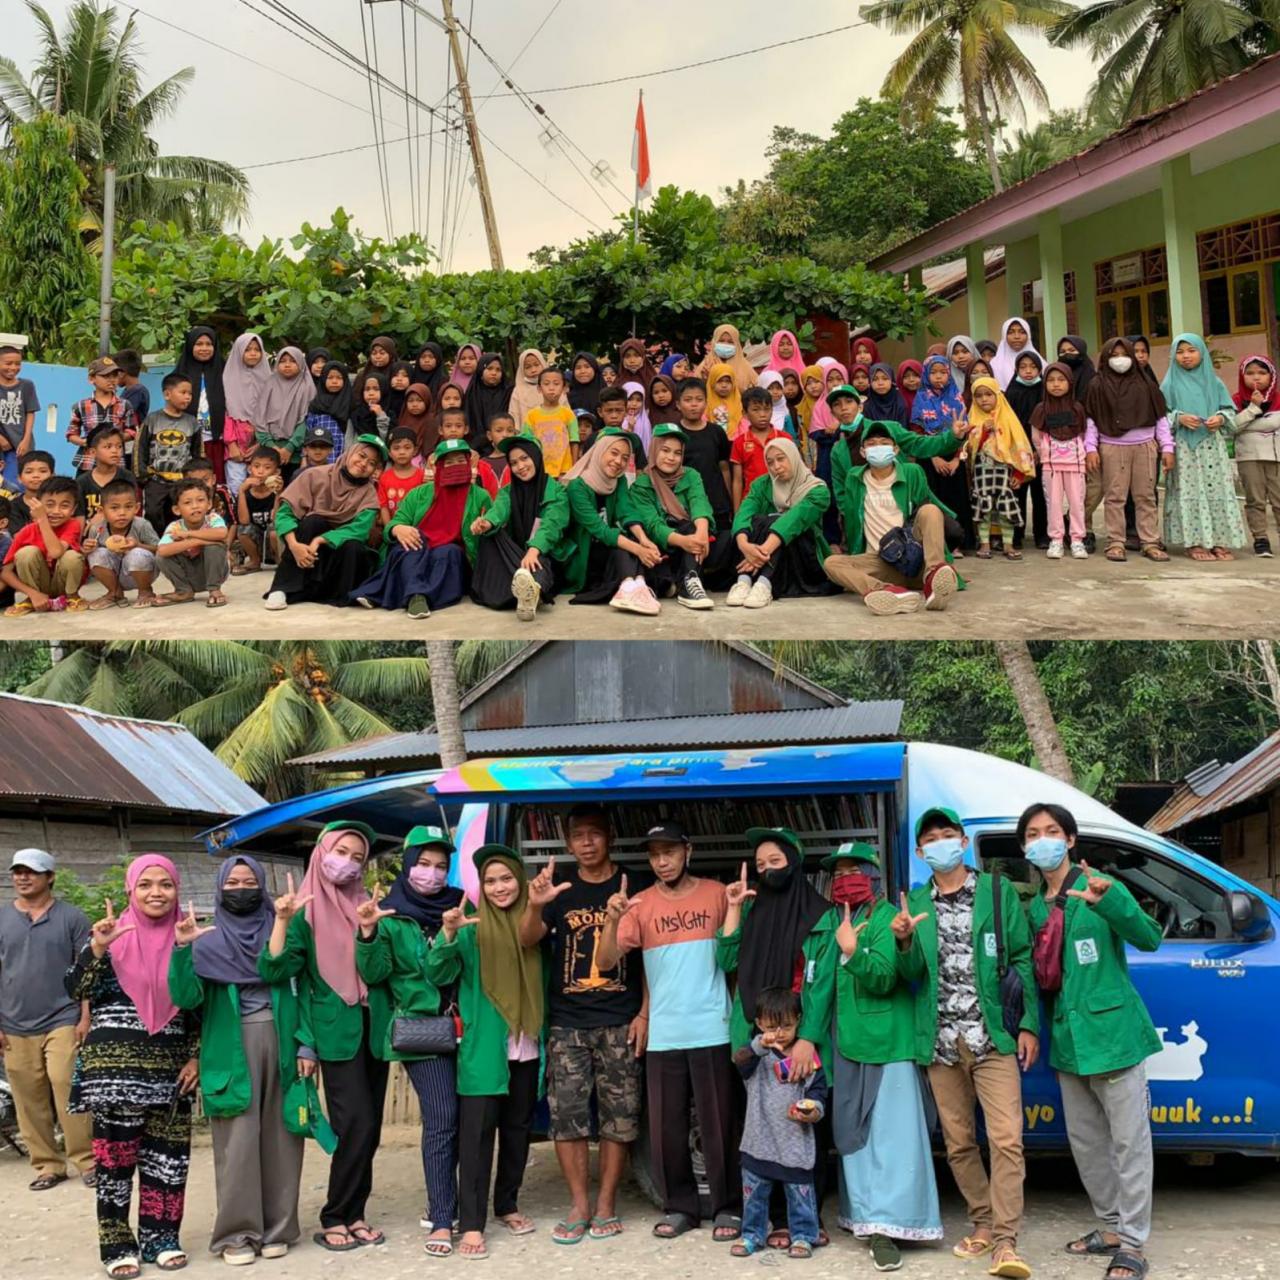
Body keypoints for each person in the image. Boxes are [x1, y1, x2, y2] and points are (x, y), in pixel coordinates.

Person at [1017, 805, 1160, 1280]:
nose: (1043, 840)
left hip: (1114, 1035)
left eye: (1052, 831)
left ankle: (1135, 1245)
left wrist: (1110, 901)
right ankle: (1113, 1227)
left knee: (1129, 1144)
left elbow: (1150, 938)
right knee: (1087, 1144)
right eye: (1033, 834)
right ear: (1024, 848)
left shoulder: (1101, 888)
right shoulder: (1035, 907)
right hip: (1069, 1042)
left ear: (1071, 840)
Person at [897, 808, 1039, 1280]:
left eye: (948, 835)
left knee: (1006, 1140)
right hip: (940, 1042)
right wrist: (902, 944)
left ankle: (1005, 1241)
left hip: (993, 1038)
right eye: (930, 838)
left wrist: (1029, 1025)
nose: (940, 843)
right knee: (958, 1143)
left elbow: (1022, 959)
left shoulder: (996, 892)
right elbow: (912, 976)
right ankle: (981, 1221)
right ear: (921, 853)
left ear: (962, 841)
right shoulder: (916, 902)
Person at [595, 824, 741, 1242]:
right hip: (664, 1031)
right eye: (655, 854)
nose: (662, 861)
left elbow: (732, 958)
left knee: (719, 1124)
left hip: (712, 1026)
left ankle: (728, 1207)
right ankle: (681, 1208)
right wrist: (612, 919)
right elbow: (605, 962)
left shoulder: (717, 894)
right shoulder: (638, 904)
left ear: (687, 851)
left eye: (670, 852)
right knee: (667, 1128)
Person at [167, 855, 312, 1266]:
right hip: (229, 1046)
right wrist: (183, 947)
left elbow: (285, 973)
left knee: (285, 1139)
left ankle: (278, 1228)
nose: (241, 889)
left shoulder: (288, 929)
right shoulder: (206, 939)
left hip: (282, 1038)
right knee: (237, 1144)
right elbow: (186, 998)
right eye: (232, 883)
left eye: (250, 881)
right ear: (218, 889)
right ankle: (236, 1234)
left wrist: (307, 1045)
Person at [517, 805, 651, 1246]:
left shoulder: (636, 884)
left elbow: (652, 955)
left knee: (620, 1116)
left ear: (609, 836)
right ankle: (579, 1204)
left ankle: (607, 1202)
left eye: (595, 833)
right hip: (567, 1022)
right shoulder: (561, 890)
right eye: (579, 835)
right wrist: (536, 906)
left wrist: (644, 1012)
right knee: (567, 1117)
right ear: (568, 841)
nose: (587, 842)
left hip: (619, 1019)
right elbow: (526, 939)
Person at [67, 855, 199, 1278]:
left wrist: (195, 1054)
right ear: (130, 891)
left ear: (178, 891)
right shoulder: (110, 939)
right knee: (115, 1164)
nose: (156, 892)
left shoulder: (189, 940)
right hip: (113, 1074)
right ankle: (116, 1243)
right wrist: (98, 948)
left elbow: (199, 1006)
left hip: (171, 1071)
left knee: (168, 1161)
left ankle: (162, 1238)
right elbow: (73, 988)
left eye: (165, 884)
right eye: (145, 885)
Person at [259, 823, 389, 1253]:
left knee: (370, 1130)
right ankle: (335, 1214)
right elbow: (276, 971)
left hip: (374, 1032)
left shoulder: (365, 906)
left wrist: (368, 931)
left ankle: (356, 1213)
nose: (348, 863)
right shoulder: (303, 914)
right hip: (332, 1034)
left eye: (357, 857)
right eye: (341, 852)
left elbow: (378, 972)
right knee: (358, 1123)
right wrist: (282, 919)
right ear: (321, 851)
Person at [716, 828, 837, 1248]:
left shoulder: (820, 914)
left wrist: (808, 1039)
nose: (768, 870)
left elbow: (822, 984)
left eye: (776, 862)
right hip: (753, 1036)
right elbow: (726, 958)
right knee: (758, 1125)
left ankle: (803, 1219)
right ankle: (763, 1219)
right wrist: (732, 909)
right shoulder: (752, 910)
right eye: (761, 864)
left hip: (797, 1038)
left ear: (795, 861)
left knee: (803, 1125)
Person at [827, 844, 943, 1270]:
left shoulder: (885, 918)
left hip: (890, 1045)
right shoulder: (842, 919)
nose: (844, 878)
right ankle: (866, 1218)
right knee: (855, 1134)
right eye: (837, 872)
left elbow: (884, 977)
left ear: (873, 875)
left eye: (853, 870)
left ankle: (894, 1226)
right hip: (849, 1044)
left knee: (894, 1140)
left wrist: (852, 952)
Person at [427, 845, 545, 1261]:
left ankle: (507, 1205)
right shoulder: (472, 930)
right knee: (476, 1140)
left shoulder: (534, 926)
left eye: (506, 878)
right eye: (490, 881)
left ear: (520, 879)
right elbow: (437, 972)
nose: (499, 888)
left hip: (527, 1047)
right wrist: (449, 933)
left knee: (517, 1133)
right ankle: (472, 1223)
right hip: (482, 1052)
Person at [355, 827, 464, 1259]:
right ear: (408, 863)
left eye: (440, 865)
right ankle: (441, 1216)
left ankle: (460, 1204)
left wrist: (452, 934)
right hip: (423, 1031)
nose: (432, 874)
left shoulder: (459, 904)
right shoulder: (388, 914)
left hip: (467, 1025)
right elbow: (376, 974)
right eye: (423, 863)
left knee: (467, 1120)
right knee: (442, 1118)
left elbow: (458, 971)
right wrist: (366, 933)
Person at [0, 849, 94, 1192]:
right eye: (18, 872)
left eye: (32, 872)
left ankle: (86, 1160)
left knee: (66, 1083)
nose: (23, 877)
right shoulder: (2, 918)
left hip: (63, 1016)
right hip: (12, 1021)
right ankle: (47, 1165)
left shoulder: (72, 918)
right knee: (28, 1096)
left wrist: (86, 1016)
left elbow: (86, 970)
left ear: (50, 877)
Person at [731, 988, 829, 1260]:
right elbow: (740, 1061)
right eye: (772, 1026)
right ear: (760, 1024)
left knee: (800, 1196)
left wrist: (812, 1110)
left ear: (798, 1020)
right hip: (758, 1140)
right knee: (754, 1197)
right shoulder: (756, 1058)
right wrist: (759, 1045)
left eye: (787, 1025)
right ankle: (752, 1235)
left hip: (795, 1142)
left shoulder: (806, 1058)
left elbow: (818, 1094)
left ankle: (803, 1236)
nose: (781, 1032)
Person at [823, 421, 960, 615]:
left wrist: (953, 437)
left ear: (895, 449)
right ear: (863, 452)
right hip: (879, 562)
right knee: (832, 563)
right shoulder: (854, 478)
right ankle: (887, 592)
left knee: (930, 510)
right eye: (871, 444)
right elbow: (850, 516)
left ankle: (933, 577)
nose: (878, 447)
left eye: (884, 442)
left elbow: (923, 516)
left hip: (914, 559)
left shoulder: (912, 472)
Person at [351, 437, 490, 618]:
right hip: (419, 548)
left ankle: (400, 594)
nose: (455, 467)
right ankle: (417, 597)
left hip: (454, 556)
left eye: (460, 461)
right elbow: (394, 524)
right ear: (436, 466)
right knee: (413, 545)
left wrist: (482, 526)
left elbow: (491, 527)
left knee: (448, 551)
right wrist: (397, 529)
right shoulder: (418, 493)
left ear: (468, 463)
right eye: (448, 463)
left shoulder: (480, 496)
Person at [265, 435, 386, 610]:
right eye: (361, 455)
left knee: (354, 546)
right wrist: (293, 545)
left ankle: (339, 594)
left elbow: (360, 529)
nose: (364, 463)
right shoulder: (314, 475)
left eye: (372, 463)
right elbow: (285, 513)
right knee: (313, 521)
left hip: (337, 555)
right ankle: (282, 589)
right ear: (349, 453)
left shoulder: (368, 494)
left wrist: (321, 540)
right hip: (305, 552)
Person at [1084, 338, 1175, 563]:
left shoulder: (1146, 384)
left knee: (1145, 496)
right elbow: (1091, 419)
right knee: (1115, 497)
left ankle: (1150, 542)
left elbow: (1160, 418)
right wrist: (1090, 448)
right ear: (1106, 358)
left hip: (1145, 446)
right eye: (1113, 355)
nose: (1119, 360)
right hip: (1112, 447)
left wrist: (1167, 447)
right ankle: (1116, 542)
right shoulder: (1097, 385)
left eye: (1124, 354)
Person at [1159, 333, 1245, 562]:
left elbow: (1229, 410)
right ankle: (1194, 542)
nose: (1186, 356)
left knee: (1217, 492)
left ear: (1202, 353)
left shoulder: (1214, 382)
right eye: (1180, 352)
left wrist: (1220, 418)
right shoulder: (1169, 384)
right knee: (1189, 493)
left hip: (1212, 447)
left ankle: (1218, 540)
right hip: (1185, 448)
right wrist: (1178, 418)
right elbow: (1158, 418)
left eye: (1191, 350)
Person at [562, 427, 664, 614]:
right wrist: (638, 549)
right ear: (600, 450)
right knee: (625, 545)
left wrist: (644, 540)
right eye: (614, 453)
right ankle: (631, 586)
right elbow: (600, 530)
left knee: (636, 538)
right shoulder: (577, 486)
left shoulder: (620, 481)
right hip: (585, 557)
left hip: (608, 551)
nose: (619, 462)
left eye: (625, 458)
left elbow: (627, 512)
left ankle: (636, 586)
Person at [470, 435, 569, 619]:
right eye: (514, 463)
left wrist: (535, 549)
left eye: (525, 458)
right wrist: (486, 523)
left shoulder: (556, 490)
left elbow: (551, 525)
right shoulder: (508, 491)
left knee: (539, 562)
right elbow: (499, 510)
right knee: (491, 535)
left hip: (545, 555)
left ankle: (533, 592)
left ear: (536, 457)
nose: (520, 467)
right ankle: (522, 590)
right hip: (518, 555)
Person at [728, 437, 832, 609]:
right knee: (757, 521)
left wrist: (760, 554)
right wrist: (744, 545)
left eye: (781, 459)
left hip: (804, 557)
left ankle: (763, 583)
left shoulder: (818, 490)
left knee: (777, 520)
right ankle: (744, 582)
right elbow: (744, 513)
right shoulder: (762, 484)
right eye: (770, 462)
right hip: (769, 555)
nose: (776, 466)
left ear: (793, 456)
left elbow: (794, 520)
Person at [625, 422, 716, 609]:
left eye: (677, 453)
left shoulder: (691, 475)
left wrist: (701, 532)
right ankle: (682, 581)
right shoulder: (641, 485)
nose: (671, 458)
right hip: (662, 547)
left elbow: (700, 503)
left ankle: (689, 582)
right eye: (665, 450)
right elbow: (652, 524)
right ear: (654, 449)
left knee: (704, 531)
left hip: (692, 543)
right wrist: (684, 541)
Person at [965, 377, 1036, 560]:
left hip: (1003, 472)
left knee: (1005, 508)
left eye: (988, 394)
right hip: (982, 472)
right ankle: (984, 544)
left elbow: (1018, 445)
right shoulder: (972, 419)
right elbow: (969, 449)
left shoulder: (1008, 418)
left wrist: (1020, 474)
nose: (984, 399)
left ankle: (1008, 544)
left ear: (998, 395)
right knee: (984, 508)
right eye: (979, 396)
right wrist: (982, 432)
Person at [673, 378, 735, 586]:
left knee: (721, 543)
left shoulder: (716, 432)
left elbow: (724, 467)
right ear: (678, 404)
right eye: (688, 400)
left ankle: (714, 580)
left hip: (716, 499)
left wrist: (728, 500)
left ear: (706, 403)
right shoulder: (674, 434)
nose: (693, 404)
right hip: (686, 502)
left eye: (699, 399)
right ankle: (691, 577)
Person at [910, 355, 975, 550]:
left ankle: (959, 544)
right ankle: (939, 544)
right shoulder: (920, 399)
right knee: (934, 503)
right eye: (934, 372)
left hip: (955, 459)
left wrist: (956, 459)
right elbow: (917, 433)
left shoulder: (957, 398)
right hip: (930, 459)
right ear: (926, 375)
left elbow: (966, 434)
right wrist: (934, 456)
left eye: (943, 372)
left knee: (957, 500)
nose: (938, 377)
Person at [1, 475, 87, 616]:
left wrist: (42, 519)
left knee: (71, 556)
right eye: (49, 505)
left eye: (64, 506)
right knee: (26, 553)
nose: (56, 511)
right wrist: (32, 593)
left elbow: (55, 552)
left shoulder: (72, 525)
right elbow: (5, 572)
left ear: (73, 509)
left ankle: (72, 596)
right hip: (38, 587)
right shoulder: (27, 531)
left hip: (63, 585)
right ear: (37, 505)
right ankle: (31, 599)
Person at [1030, 363, 1091, 559]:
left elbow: (1083, 433)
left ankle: (1077, 540)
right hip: (1051, 465)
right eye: (1051, 380)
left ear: (1070, 383)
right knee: (1053, 503)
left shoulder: (1077, 408)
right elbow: (1036, 435)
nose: (1056, 384)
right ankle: (1056, 540)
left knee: (1076, 502)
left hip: (1076, 464)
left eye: (1061, 380)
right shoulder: (1042, 408)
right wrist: (1044, 452)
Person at [135, 371, 200, 530]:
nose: (188, 397)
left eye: (190, 394)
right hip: (156, 480)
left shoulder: (192, 423)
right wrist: (143, 476)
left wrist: (195, 477)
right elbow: (139, 448)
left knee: (178, 515)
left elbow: (198, 453)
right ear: (167, 394)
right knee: (153, 514)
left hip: (181, 481)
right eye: (183, 392)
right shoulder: (153, 419)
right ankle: (154, 548)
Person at [82, 478, 160, 609]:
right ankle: (115, 593)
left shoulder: (141, 525)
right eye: (114, 508)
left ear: (137, 508)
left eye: (128, 507)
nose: (122, 513)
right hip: (114, 576)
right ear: (102, 511)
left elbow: (159, 549)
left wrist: (138, 545)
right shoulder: (97, 529)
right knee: (96, 553)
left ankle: (145, 591)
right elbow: (93, 558)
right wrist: (87, 549)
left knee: (137, 554)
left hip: (142, 572)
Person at [1232, 353, 1280, 556]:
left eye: (1262, 373)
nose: (1256, 378)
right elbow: (1232, 427)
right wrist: (1253, 408)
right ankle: (1261, 539)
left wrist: (1250, 424)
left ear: (1272, 376)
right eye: (1250, 373)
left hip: (1276, 457)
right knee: (1255, 499)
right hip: (1249, 457)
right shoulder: (1235, 400)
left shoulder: (1279, 399)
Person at [155, 477, 229, 607]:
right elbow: (162, 550)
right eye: (188, 502)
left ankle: (214, 590)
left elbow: (222, 533)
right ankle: (184, 591)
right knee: (162, 556)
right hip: (187, 574)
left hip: (213, 572)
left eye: (200, 500)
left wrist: (188, 534)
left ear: (209, 504)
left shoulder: (212, 519)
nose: (195, 506)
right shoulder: (175, 527)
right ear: (177, 510)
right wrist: (196, 541)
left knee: (215, 547)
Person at [1004, 352, 1048, 551]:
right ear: (1016, 370)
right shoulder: (1011, 393)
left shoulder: (1045, 391)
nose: (1028, 371)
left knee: (1040, 495)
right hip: (1017, 452)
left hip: (1041, 451)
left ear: (1040, 369)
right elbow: (1007, 425)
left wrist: (1040, 450)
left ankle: (1042, 535)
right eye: (1023, 367)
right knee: (1017, 493)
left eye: (1033, 366)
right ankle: (1017, 533)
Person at [220, 334, 271, 499]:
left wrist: (261, 442)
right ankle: (239, 521)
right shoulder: (227, 379)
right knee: (237, 487)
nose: (253, 353)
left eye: (257, 349)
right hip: (236, 448)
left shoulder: (269, 380)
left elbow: (271, 413)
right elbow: (226, 413)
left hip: (260, 446)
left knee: (262, 487)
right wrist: (232, 444)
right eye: (247, 349)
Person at [173, 326, 226, 482]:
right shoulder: (179, 374)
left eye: (208, 344)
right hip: (186, 442)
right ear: (190, 346)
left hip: (217, 442)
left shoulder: (225, 372)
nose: (204, 348)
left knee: (215, 484)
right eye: (199, 344)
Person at [68, 356, 138, 473]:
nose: (111, 380)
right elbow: (71, 434)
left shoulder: (125, 405)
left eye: (115, 376)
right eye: (106, 376)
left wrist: (112, 441)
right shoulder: (81, 406)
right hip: (88, 463)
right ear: (92, 379)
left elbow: (132, 431)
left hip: (116, 464)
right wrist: (87, 442)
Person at [256, 347, 315, 471]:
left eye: (293, 361)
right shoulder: (269, 385)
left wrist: (290, 447)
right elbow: (260, 416)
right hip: (268, 452)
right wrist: (272, 446)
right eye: (283, 361)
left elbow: (306, 420)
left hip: (295, 455)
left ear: (301, 363)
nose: (287, 365)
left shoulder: (307, 388)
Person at [731, 387, 790, 510]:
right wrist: (737, 512)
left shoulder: (784, 438)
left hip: (782, 499)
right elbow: (737, 481)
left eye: (767, 409)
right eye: (756, 410)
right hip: (752, 501)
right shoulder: (739, 442)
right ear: (745, 414)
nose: (762, 414)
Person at [522, 365, 580, 477]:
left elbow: (574, 441)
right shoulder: (531, 415)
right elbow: (527, 444)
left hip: (565, 470)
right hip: (540, 470)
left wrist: (574, 467)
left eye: (556, 384)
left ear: (564, 388)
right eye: (546, 384)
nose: (551, 388)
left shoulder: (568, 414)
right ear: (539, 388)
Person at [233, 448, 282, 574]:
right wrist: (241, 492)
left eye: (267, 468)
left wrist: (278, 494)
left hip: (274, 541)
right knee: (243, 530)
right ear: (250, 469)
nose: (260, 471)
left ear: (276, 472)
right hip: (257, 541)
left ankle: (280, 562)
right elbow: (244, 521)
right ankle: (255, 562)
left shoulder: (280, 492)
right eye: (256, 466)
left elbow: (277, 520)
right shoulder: (246, 494)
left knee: (274, 531)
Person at [76, 426, 137, 523]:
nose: (115, 451)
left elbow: (133, 511)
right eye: (108, 447)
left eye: (119, 446)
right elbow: (78, 518)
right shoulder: (82, 482)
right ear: (92, 452)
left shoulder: (127, 477)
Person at [0, 344, 39, 489]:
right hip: (2, 445)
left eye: (17, 364)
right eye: (8, 363)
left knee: (15, 487)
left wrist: (26, 439)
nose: (13, 367)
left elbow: (30, 412)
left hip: (19, 447)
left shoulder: (27, 386)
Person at [306, 359, 355, 459]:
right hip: (318, 455)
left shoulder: (350, 404)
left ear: (345, 381)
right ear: (323, 379)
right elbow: (308, 431)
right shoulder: (316, 404)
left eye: (339, 378)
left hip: (343, 454)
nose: (334, 381)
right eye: (330, 377)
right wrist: (304, 456)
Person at [376, 427, 425, 527]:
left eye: (407, 447)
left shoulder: (422, 476)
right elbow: (383, 507)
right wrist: (389, 530)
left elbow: (424, 507)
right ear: (389, 452)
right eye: (396, 448)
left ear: (415, 450)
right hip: (393, 530)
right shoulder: (384, 477)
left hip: (416, 529)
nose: (402, 452)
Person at [464, 354, 512, 450]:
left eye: (498, 370)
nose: (494, 373)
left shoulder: (508, 392)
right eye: (490, 368)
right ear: (481, 370)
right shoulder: (472, 393)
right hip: (476, 446)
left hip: (504, 443)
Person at [699, 323, 757, 392]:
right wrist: (707, 379)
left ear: (737, 344)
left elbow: (756, 390)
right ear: (714, 342)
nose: (725, 344)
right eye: (721, 341)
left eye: (730, 342)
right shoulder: (705, 365)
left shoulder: (745, 367)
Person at [991, 318, 1042, 389]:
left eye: (1022, 332)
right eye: (1011, 332)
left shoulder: (1040, 362)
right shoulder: (994, 364)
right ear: (1004, 336)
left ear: (1028, 335)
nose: (1017, 336)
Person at [399, 383, 438, 461]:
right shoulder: (403, 418)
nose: (415, 404)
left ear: (427, 400)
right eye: (410, 401)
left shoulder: (432, 421)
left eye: (419, 400)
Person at [706, 363, 745, 436]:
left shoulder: (741, 405)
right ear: (712, 382)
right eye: (719, 381)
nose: (724, 385)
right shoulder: (705, 406)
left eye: (728, 381)